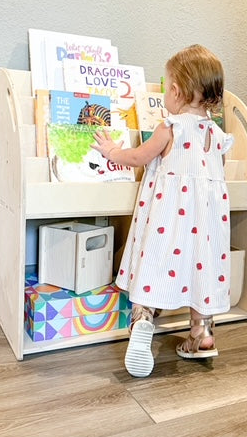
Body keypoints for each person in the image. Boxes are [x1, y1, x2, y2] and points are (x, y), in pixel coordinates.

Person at [91, 45, 234, 377]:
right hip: (208, 221)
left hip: (169, 215)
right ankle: (202, 333)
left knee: (155, 258)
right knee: (204, 266)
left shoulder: (171, 127)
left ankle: (142, 320)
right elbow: (214, 175)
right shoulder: (216, 134)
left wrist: (111, 150)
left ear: (175, 91)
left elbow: (139, 157)